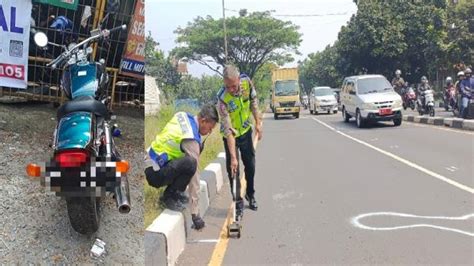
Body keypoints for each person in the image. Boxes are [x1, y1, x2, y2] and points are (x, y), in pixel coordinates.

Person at [144, 104, 219, 230]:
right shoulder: (191, 138)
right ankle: (169, 196)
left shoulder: (183, 115)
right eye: (210, 128)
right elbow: (195, 176)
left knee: (187, 162)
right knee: (191, 164)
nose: (209, 132)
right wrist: (195, 214)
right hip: (155, 173)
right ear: (203, 120)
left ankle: (175, 193)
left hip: (150, 162)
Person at [216, 65, 262, 219]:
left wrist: (258, 122)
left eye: (234, 85)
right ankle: (238, 203)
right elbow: (228, 130)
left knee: (250, 165)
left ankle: (250, 194)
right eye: (227, 86)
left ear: (238, 80)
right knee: (233, 170)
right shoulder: (222, 100)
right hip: (231, 136)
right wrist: (233, 157)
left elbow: (253, 101)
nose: (231, 89)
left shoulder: (246, 83)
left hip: (245, 131)